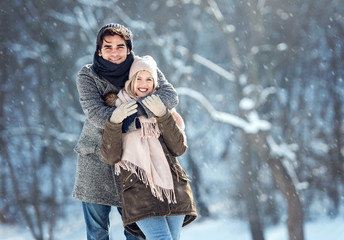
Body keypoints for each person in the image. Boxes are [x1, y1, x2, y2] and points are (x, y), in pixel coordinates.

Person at [72, 23, 179, 240]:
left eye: (120, 46)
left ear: (128, 48)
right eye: (108, 46)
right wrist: (139, 121)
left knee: (136, 230)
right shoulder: (87, 75)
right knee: (97, 231)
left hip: (135, 160)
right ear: (99, 49)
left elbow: (169, 95)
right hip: (96, 159)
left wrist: (134, 111)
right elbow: (96, 114)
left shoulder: (141, 66)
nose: (114, 52)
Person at [100, 56, 197, 240]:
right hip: (139, 191)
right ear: (131, 81)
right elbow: (110, 156)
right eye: (139, 78)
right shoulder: (119, 110)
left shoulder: (163, 109)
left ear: (155, 82)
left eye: (149, 79)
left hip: (172, 187)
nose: (144, 84)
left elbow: (178, 148)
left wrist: (162, 115)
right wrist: (114, 122)